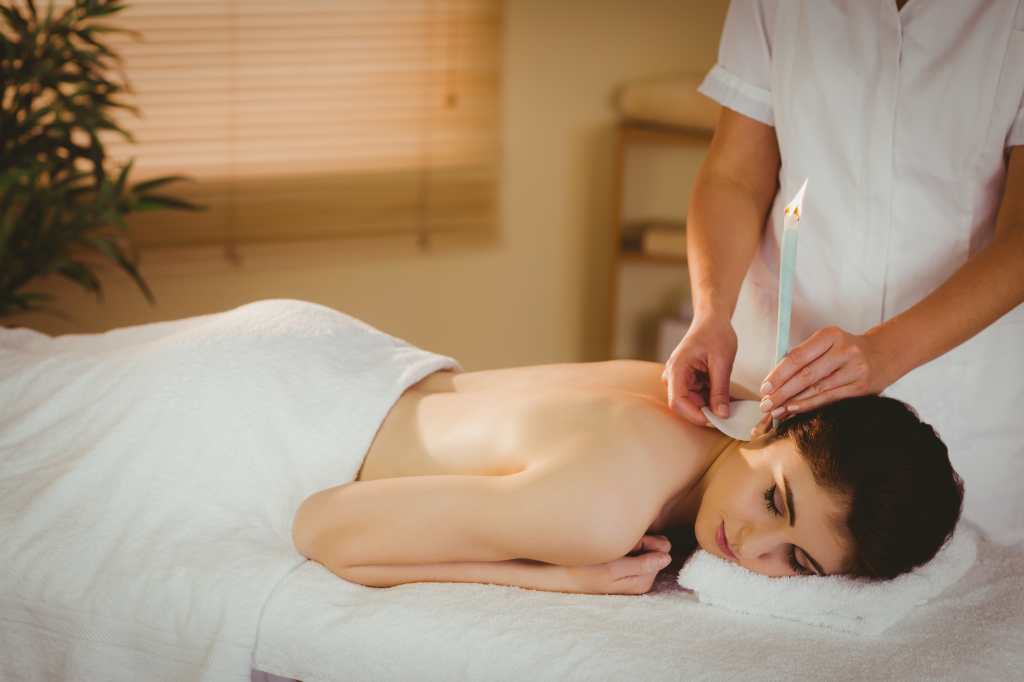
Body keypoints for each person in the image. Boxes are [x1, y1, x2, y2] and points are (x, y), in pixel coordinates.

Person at [663, 0, 1024, 543]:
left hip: (961, 387)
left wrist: (886, 353)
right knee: (750, 549)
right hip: (776, 376)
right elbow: (733, 175)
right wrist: (712, 313)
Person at [293, 357, 963, 595]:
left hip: (346, 363)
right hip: (293, 422)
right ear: (774, 426)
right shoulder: (599, 518)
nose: (751, 545)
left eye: (797, 561)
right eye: (773, 500)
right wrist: (558, 577)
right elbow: (323, 527)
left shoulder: (695, 394)